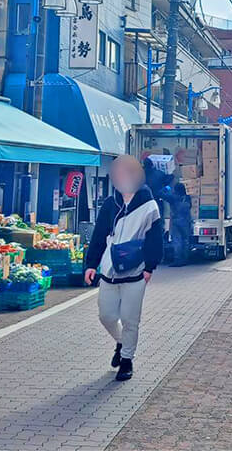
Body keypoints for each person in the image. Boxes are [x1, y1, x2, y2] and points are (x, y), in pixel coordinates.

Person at [85, 155, 164, 382]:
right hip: (109, 271)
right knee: (106, 315)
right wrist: (91, 264)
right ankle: (121, 343)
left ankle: (127, 360)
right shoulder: (111, 204)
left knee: (131, 319)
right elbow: (99, 236)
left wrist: (150, 267)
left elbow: (155, 239)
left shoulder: (149, 206)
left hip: (136, 272)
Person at [168, 182, 192, 267]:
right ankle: (185, 259)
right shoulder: (188, 198)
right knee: (186, 240)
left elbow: (161, 195)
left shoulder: (173, 198)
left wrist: (166, 187)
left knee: (177, 241)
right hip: (186, 221)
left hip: (176, 221)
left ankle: (178, 260)